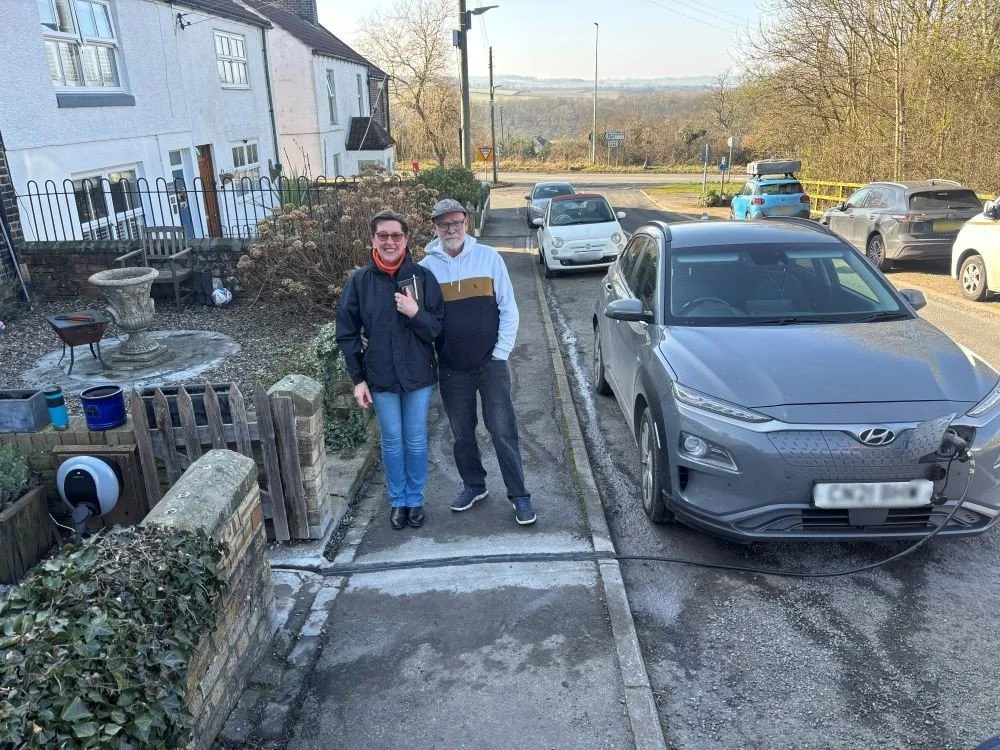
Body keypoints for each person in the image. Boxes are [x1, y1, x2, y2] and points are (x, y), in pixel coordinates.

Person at [420, 197, 536, 526]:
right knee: (462, 433)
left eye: (456, 223)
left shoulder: (488, 258)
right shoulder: (426, 269)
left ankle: (520, 495)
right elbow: (423, 319)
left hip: (491, 365)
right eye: (444, 225)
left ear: (466, 224)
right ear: (435, 228)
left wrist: (501, 353)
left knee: (502, 430)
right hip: (453, 368)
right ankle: (474, 485)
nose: (451, 229)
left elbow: (508, 308)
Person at [336, 210, 445, 530]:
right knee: (392, 441)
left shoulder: (422, 278)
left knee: (415, 440)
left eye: (396, 236)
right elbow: (346, 331)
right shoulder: (359, 282)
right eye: (382, 235)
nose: (389, 241)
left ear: (406, 240)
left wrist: (415, 313)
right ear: (373, 240)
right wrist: (358, 379)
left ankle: (415, 499)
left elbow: (437, 329)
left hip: (417, 376)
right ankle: (398, 501)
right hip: (381, 377)